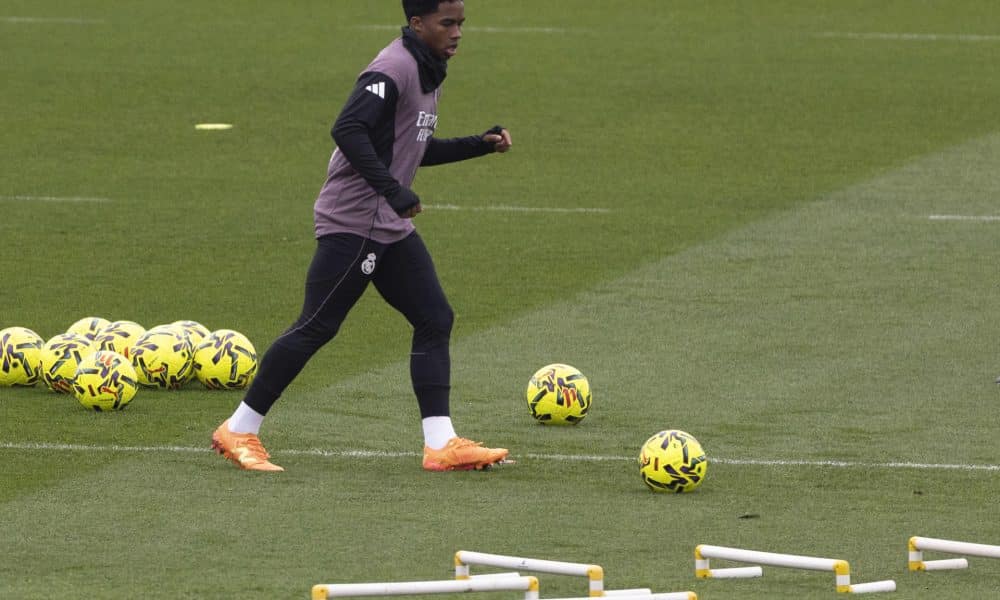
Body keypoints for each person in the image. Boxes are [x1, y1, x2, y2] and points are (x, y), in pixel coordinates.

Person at [211, 0, 512, 472]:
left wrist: (479, 145)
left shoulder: (427, 68)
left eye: (461, 24)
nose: (457, 33)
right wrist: (392, 190)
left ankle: (441, 443)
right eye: (446, 23)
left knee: (434, 317)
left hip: (387, 227)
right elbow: (347, 128)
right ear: (417, 24)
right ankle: (238, 429)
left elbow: (409, 147)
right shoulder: (393, 67)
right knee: (316, 326)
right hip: (354, 224)